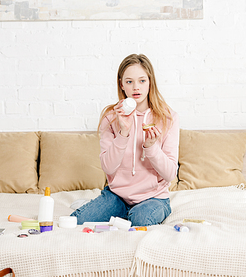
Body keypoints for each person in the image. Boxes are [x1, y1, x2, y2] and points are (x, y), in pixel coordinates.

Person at [71, 54, 180, 226]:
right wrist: (123, 133)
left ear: (150, 82)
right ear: (122, 84)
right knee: (76, 221)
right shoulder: (111, 117)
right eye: (129, 82)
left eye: (142, 81)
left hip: (153, 198)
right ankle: (116, 211)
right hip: (117, 196)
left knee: (140, 220)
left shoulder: (168, 118)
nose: (136, 87)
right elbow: (108, 167)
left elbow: (170, 174)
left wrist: (151, 148)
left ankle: (128, 215)